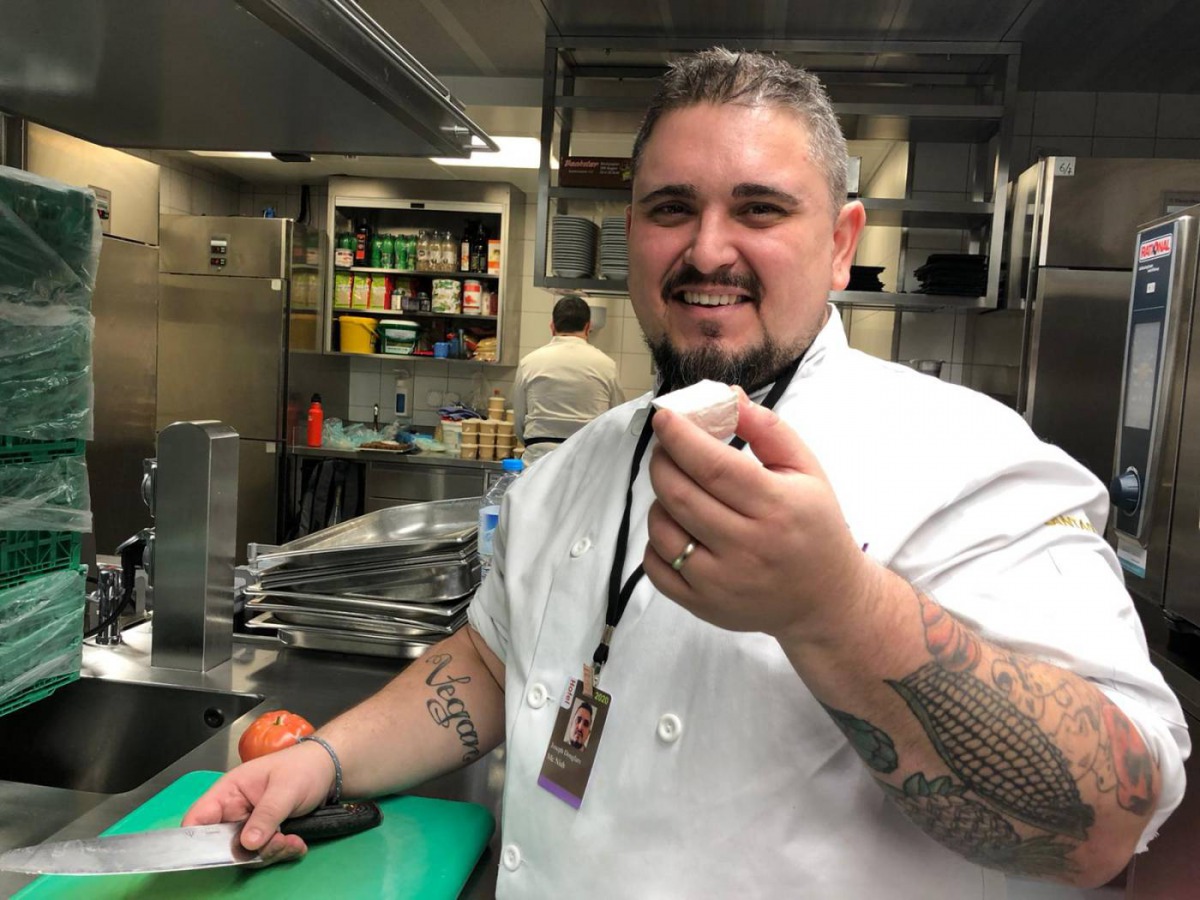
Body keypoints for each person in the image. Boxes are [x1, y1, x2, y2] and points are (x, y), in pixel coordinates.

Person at [184, 48, 1189, 897]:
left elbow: (1110, 818)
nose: (709, 249)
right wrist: (323, 760)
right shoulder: (582, 464)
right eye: (673, 208)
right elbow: (495, 666)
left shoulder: (970, 458)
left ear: (841, 244)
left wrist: (837, 608)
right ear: (632, 238)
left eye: (760, 209)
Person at [511, 294, 625, 465]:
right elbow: (618, 420)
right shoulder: (607, 366)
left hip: (538, 464)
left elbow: (519, 424)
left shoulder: (529, 363)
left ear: (552, 326)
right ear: (588, 327)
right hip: (587, 464)